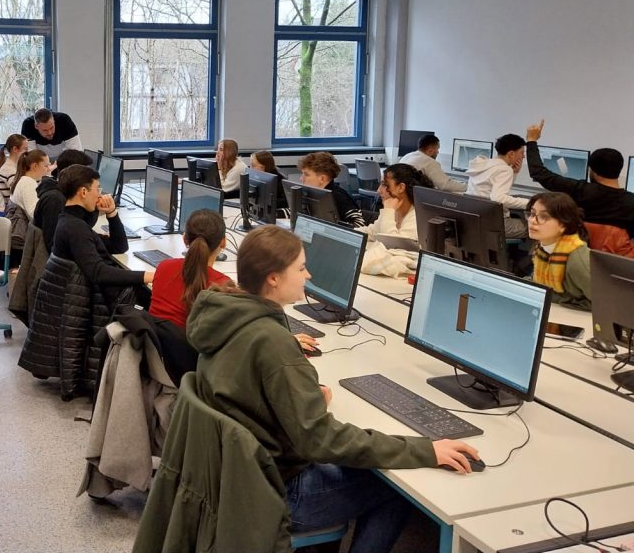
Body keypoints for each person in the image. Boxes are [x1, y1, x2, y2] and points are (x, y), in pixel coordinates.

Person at [186, 225, 479, 552]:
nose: (308, 275)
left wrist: (303, 401)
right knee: (397, 488)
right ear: (274, 278)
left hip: (239, 480)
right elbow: (321, 440)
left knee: (362, 463)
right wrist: (425, 450)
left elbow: (249, 393)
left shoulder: (227, 316)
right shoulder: (273, 343)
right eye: (301, 268)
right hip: (276, 494)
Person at [52, 165, 153, 300]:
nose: (100, 195)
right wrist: (148, 275)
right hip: (83, 303)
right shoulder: (75, 228)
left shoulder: (70, 220)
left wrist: (111, 213)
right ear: (83, 192)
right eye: (97, 189)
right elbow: (98, 272)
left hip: (76, 298)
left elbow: (119, 246)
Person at [526, 119, 634, 236]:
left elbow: (539, 173)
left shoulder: (580, 191)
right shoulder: (631, 202)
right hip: (617, 248)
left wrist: (532, 141)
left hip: (579, 246)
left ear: (593, 171)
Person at [148, 209, 232, 330]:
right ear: (223, 242)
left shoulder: (164, 267)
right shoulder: (223, 285)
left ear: (184, 239)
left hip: (152, 340)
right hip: (187, 343)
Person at [527, 192, 591, 311]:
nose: (532, 220)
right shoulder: (541, 248)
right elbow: (536, 282)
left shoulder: (577, 261)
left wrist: (560, 300)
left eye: (543, 217)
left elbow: (605, 303)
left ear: (563, 225)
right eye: (532, 214)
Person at [465, 133, 529, 239]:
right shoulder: (504, 169)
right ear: (511, 154)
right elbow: (498, 198)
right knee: (538, 227)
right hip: (494, 223)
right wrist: (529, 203)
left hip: (475, 218)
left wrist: (514, 172)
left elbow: (497, 189)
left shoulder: (484, 164)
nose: (523, 156)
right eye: (522, 152)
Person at [32, 149, 95, 253]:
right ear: (73, 174)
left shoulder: (65, 193)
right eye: (86, 175)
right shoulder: (55, 200)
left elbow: (83, 226)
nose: (90, 180)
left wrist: (93, 202)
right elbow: (53, 245)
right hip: (57, 261)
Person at [357, 164, 433, 242]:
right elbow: (372, 232)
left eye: (384, 184)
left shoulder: (417, 218)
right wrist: (350, 234)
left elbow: (392, 243)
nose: (378, 190)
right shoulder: (394, 211)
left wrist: (388, 210)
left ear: (401, 188)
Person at [297, 152, 364, 227]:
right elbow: (297, 210)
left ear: (322, 179)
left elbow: (359, 224)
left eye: (306, 175)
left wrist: (334, 229)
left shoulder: (338, 196)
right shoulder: (312, 194)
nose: (301, 178)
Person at [400, 133, 466, 193]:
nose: (438, 152)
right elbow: (445, 185)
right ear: (430, 150)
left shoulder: (408, 155)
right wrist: (468, 187)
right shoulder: (429, 162)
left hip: (402, 193)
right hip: (413, 196)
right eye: (437, 149)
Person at [0, 134, 27, 215]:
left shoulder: (11, 165)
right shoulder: (10, 170)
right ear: (15, 149)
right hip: (5, 213)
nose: (27, 152)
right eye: (25, 149)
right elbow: (18, 193)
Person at [9, 149, 50, 221]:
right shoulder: (28, 183)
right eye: (46, 166)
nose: (48, 169)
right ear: (35, 166)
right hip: (25, 226)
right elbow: (34, 214)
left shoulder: (23, 179)